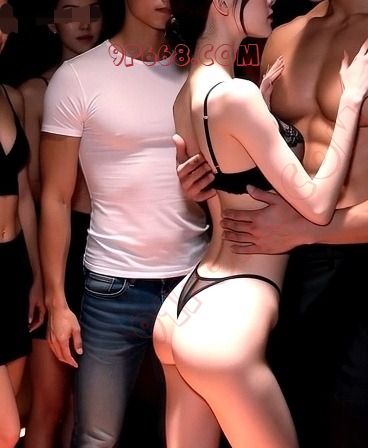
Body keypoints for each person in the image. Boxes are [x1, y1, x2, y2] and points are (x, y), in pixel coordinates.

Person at [152, 0, 368, 447]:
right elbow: (318, 208)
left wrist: (263, 115)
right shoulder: (236, 95)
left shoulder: (186, 94)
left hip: (185, 306)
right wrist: (351, 100)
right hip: (231, 314)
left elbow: (229, 181)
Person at [39, 0, 208, 446]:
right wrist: (57, 302)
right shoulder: (78, 77)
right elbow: (55, 197)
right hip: (112, 287)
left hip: (193, 282)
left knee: (189, 436)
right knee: (96, 437)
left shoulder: (198, 71)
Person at [19, 1, 103, 446]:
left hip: (109, 241)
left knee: (87, 404)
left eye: (93, 10)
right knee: (50, 403)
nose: (84, 23)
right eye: (71, 13)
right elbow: (33, 188)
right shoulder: (36, 92)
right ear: (52, 24)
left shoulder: (117, 81)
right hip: (58, 240)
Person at [0, 0, 44, 445]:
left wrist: (35, 277)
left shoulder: (10, 97)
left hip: (12, 266)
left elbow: (25, 197)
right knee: (6, 428)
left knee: (17, 408)